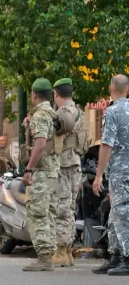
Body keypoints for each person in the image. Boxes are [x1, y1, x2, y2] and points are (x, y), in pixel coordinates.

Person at [92, 74, 129, 276]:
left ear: (111, 88)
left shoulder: (113, 111)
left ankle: (127, 257)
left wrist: (98, 176)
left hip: (121, 171)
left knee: (122, 212)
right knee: (115, 213)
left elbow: (107, 144)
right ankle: (116, 256)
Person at [22, 78, 60, 272]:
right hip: (54, 169)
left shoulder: (40, 116)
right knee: (49, 212)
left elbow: (41, 143)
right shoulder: (52, 113)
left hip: (43, 171)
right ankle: (49, 254)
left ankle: (44, 258)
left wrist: (29, 169)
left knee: (38, 212)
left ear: (34, 95)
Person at [52, 78, 89, 267]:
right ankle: (67, 252)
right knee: (70, 208)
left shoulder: (62, 114)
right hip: (76, 164)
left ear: (56, 94)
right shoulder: (79, 112)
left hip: (63, 164)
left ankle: (61, 250)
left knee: (62, 209)